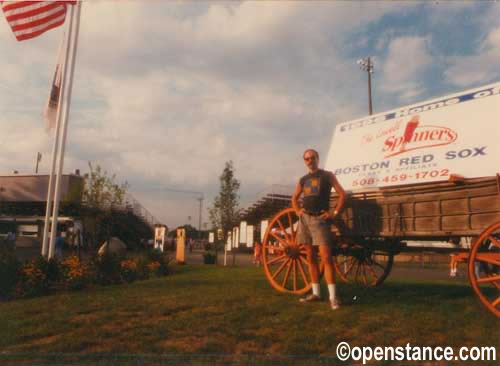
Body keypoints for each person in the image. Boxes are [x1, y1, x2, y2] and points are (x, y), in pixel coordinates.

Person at [291, 148, 346, 310]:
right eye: (307, 159)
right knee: (310, 258)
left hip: (320, 220)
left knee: (326, 259)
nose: (310, 161)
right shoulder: (303, 179)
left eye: (312, 158)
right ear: (304, 161)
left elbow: (343, 195)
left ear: (318, 158)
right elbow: (294, 198)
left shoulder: (327, 176)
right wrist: (297, 211)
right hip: (305, 220)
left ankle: (333, 298)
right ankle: (315, 293)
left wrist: (334, 213)